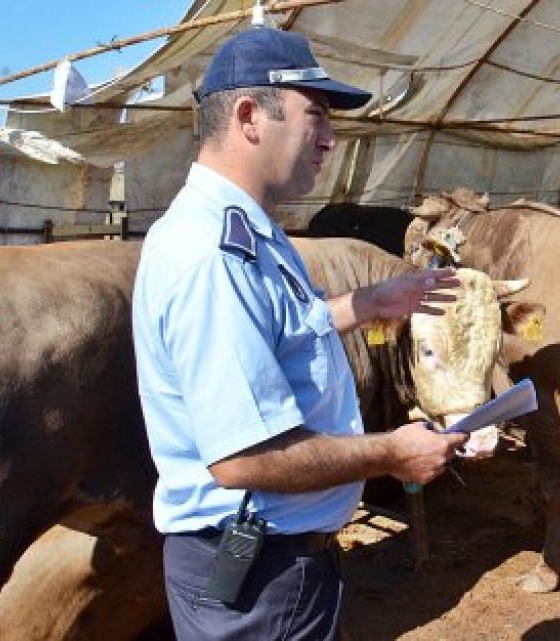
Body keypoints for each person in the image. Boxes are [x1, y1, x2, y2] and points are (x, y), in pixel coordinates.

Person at [132, 26, 469, 639]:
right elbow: (245, 457)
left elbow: (289, 329)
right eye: (315, 116)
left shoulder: (254, 231)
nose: (331, 140)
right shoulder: (210, 254)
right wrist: (395, 451)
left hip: (281, 559)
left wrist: (370, 301)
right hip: (259, 572)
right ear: (248, 116)